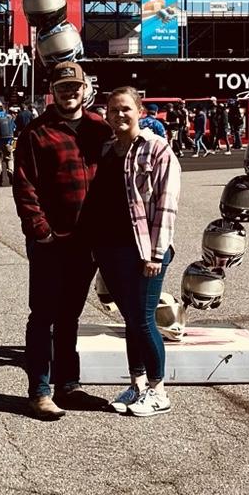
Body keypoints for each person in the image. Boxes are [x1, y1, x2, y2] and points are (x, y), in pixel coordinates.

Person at [12, 62, 111, 420]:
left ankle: (68, 386)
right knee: (43, 316)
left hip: (87, 241)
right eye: (63, 87)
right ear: (52, 91)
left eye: (75, 87)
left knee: (70, 316)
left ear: (85, 90)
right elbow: (24, 186)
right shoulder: (36, 133)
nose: (70, 93)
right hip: (51, 241)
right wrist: (40, 231)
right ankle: (40, 391)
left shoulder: (101, 128)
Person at [84, 87, 180, 418]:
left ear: (140, 110)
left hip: (143, 250)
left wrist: (156, 254)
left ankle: (158, 390)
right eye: (113, 110)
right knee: (130, 319)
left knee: (143, 319)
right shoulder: (107, 149)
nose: (119, 115)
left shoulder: (157, 149)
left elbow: (166, 205)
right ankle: (137, 385)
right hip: (110, 248)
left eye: (126, 108)